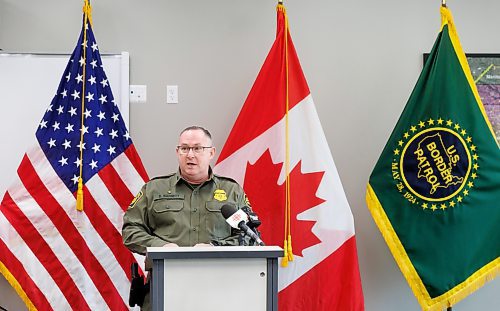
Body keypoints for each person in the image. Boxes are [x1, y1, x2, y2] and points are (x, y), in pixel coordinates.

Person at [122, 126, 255, 310]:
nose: (190, 155)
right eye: (184, 148)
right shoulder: (154, 189)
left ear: (211, 153)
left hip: (218, 289)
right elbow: (131, 231)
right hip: (164, 286)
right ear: (177, 152)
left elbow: (248, 236)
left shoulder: (231, 191)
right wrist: (161, 247)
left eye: (197, 148)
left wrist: (214, 248)